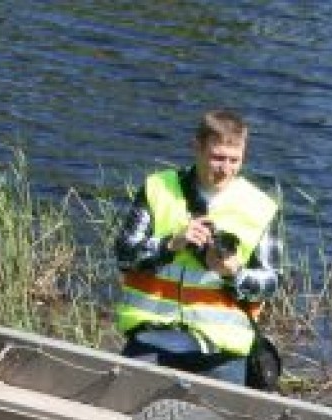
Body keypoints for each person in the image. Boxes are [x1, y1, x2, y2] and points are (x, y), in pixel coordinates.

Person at [112, 108, 282, 387]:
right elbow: (124, 254)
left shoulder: (260, 207)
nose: (225, 169)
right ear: (196, 147)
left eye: (234, 160)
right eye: (217, 158)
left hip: (220, 356)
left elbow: (272, 282)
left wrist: (234, 273)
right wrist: (170, 244)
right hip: (150, 343)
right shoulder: (158, 188)